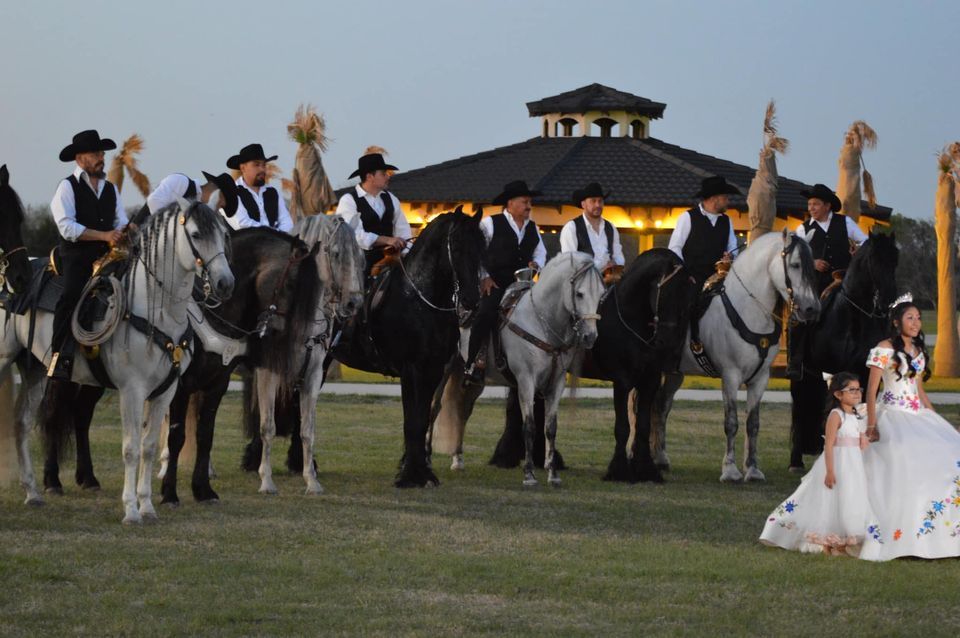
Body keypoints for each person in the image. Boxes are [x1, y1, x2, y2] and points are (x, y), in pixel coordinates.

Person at [857, 295, 960, 561]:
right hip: (892, 415)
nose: (916, 322)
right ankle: (904, 534)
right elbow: (871, 389)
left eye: (917, 317)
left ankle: (945, 535)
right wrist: (872, 423)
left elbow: (919, 390)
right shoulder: (883, 348)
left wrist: (939, 421)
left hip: (917, 413)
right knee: (908, 459)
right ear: (896, 321)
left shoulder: (916, 348)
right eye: (909, 318)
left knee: (950, 451)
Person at [760, 372, 877, 556]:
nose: (857, 393)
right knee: (830, 498)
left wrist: (862, 438)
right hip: (837, 462)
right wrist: (830, 471)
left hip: (853, 465)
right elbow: (829, 444)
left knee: (850, 495)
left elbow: (856, 435)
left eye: (859, 389)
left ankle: (847, 535)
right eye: (851, 390)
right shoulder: (836, 415)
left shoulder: (856, 415)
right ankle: (818, 536)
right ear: (838, 394)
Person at [47, 129, 128, 380]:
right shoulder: (67, 187)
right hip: (77, 257)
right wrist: (104, 236)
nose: (101, 157)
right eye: (95, 153)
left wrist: (128, 229)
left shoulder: (110, 189)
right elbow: (67, 228)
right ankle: (58, 355)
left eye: (102, 153)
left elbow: (120, 221)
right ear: (79, 158)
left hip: (109, 257)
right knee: (71, 295)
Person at [463, 180, 547, 385]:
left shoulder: (533, 227)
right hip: (496, 282)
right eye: (524, 201)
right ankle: (474, 362)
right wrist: (484, 277)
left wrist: (536, 264)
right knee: (485, 313)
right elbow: (476, 252)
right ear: (510, 203)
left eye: (529, 202)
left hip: (523, 284)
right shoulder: (491, 223)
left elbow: (541, 252)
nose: (529, 206)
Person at [786, 183, 868, 378]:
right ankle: (795, 363)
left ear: (827, 206)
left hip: (844, 283)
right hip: (815, 284)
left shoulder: (845, 223)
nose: (811, 208)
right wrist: (812, 262)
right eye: (810, 204)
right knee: (797, 318)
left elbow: (865, 241)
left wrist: (858, 251)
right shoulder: (802, 229)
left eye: (815, 204)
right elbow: (793, 256)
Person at [336, 152, 411, 277]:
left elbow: (404, 232)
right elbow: (353, 235)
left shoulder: (391, 198)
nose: (388, 177)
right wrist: (387, 240)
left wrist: (406, 252)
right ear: (370, 176)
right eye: (383, 174)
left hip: (392, 262)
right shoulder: (349, 200)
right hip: (359, 266)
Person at [667, 175, 740, 290]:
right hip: (690, 282)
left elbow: (732, 247)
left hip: (719, 283)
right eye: (725, 198)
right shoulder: (688, 217)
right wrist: (685, 274)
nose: (728, 201)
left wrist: (730, 257)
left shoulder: (727, 220)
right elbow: (674, 248)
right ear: (714, 199)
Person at [559, 182, 624, 280]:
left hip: (610, 282)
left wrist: (615, 265)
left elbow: (618, 256)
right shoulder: (571, 228)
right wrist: (600, 269)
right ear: (583, 204)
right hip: (582, 285)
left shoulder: (610, 227)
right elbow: (570, 263)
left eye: (600, 201)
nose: (598, 205)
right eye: (593, 201)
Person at [223, 144, 293, 233]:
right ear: (243, 168)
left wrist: (279, 238)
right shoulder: (233, 193)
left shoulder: (272, 192)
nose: (262, 169)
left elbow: (286, 222)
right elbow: (243, 224)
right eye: (256, 165)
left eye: (263, 165)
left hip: (277, 244)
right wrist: (274, 234)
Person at [138, 171, 238, 222]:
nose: (216, 211)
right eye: (220, 206)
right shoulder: (182, 182)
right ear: (217, 195)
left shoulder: (200, 215)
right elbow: (154, 201)